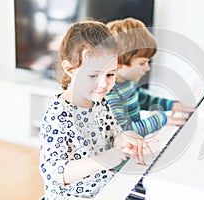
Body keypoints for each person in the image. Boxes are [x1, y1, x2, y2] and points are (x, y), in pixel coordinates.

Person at [39, 20, 155, 199]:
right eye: (93, 75)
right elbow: (53, 174)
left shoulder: (100, 102)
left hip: (106, 190)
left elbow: (114, 134)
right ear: (70, 69)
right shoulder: (58, 115)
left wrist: (124, 138)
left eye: (110, 74)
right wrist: (101, 161)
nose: (104, 84)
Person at [106, 17, 195, 137]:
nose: (147, 68)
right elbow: (126, 131)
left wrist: (172, 105)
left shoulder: (128, 82)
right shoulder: (109, 93)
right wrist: (163, 119)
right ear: (119, 62)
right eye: (142, 63)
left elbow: (143, 100)